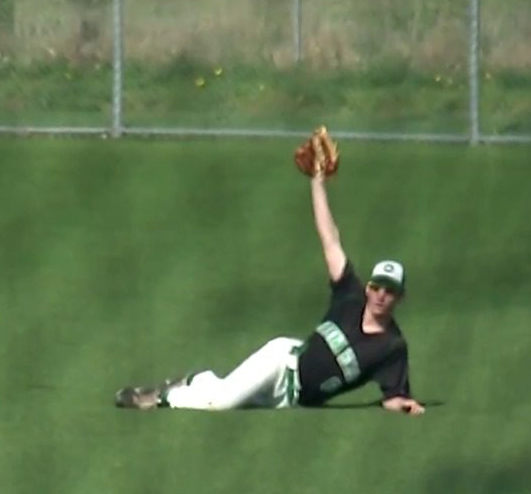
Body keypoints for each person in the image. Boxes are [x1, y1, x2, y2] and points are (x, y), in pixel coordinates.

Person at [114, 167, 426, 415]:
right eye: (376, 286)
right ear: (368, 287)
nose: (381, 295)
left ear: (400, 297)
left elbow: (393, 396)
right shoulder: (350, 295)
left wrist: (404, 406)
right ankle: (160, 397)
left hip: (292, 399)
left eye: (390, 290)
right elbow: (330, 238)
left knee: (223, 395)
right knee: (222, 403)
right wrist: (317, 181)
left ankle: (196, 381)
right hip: (282, 363)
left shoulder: (392, 347)